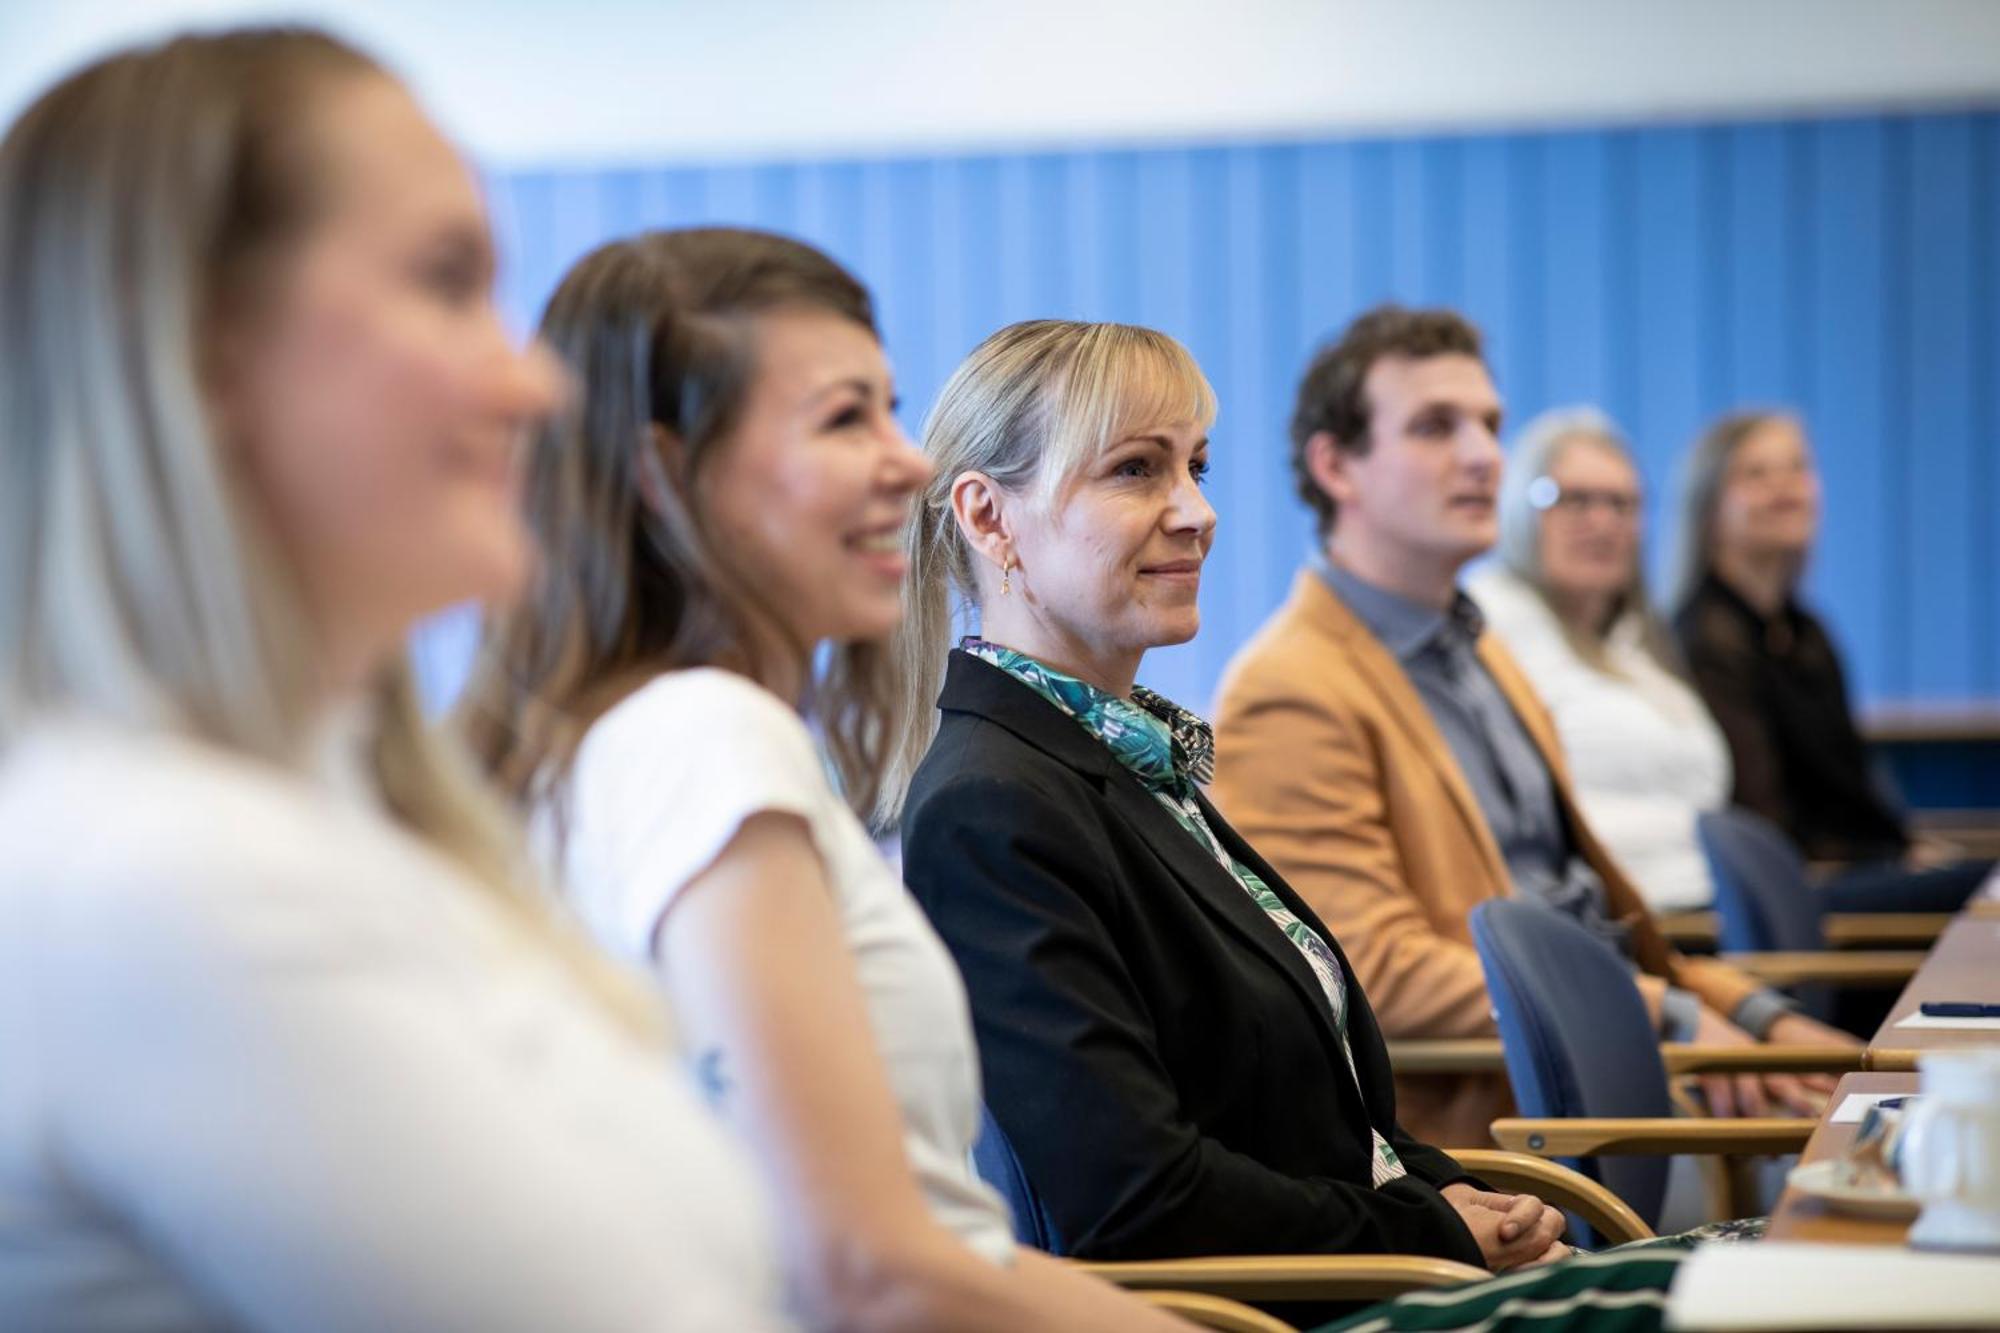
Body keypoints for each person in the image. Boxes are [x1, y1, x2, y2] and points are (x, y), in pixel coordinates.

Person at [0, 30, 786, 1331]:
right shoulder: (166, 877)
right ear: (198, 351)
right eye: (445, 282)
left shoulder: (325, 826)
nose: (532, 380)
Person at [459, 231, 1191, 1333]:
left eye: (891, 411)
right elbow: (866, 1271)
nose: (906, 461)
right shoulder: (704, 741)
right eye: (844, 419)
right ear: (666, 474)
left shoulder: (646, 739)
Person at [884, 320, 1593, 1328]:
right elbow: (1136, 1204)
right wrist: (1431, 1234)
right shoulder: (993, 804)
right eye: (1135, 470)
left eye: (1195, 466)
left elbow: (1302, 1113)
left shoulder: (1125, 762)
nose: (1196, 511)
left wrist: (1442, 1191)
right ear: (988, 518)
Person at [1209, 306, 1854, 1151]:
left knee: (1912, 1118)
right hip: (1519, 1129)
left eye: (1488, 424)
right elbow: (1372, 973)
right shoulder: (1291, 686)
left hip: (1627, 1058)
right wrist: (1673, 1017)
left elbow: (1596, 916)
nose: (1482, 454)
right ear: (1337, 466)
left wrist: (1755, 1011)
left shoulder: (1487, 654)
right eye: (1437, 427)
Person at [1667, 410, 1989, 913]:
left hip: (1858, 869)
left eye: (1797, 469)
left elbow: (1852, 787)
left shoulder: (1806, 631)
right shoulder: (1707, 638)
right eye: (1756, 474)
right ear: (1709, 509)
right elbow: (1762, 821)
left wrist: (1905, 851)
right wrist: (1894, 864)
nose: (1785, 488)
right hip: (1800, 893)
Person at [1470, 407, 1729, 914]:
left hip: (1703, 905)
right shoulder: (1488, 628)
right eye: (1573, 499)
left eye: (1622, 504)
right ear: (1521, 510)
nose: (1602, 522)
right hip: (1612, 924)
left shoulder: (1636, 644)